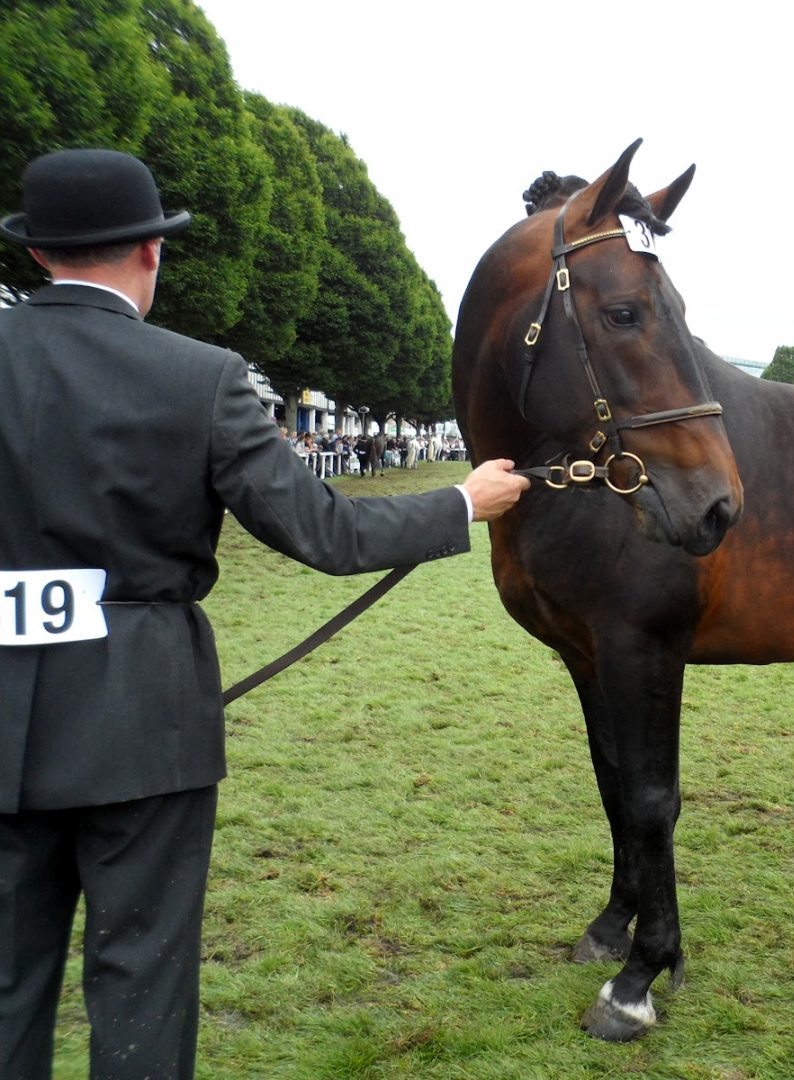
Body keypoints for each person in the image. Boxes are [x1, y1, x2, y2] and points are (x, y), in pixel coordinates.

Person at [0, 148, 530, 1078]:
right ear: (150, 253)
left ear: (39, 256)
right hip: (140, 716)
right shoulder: (201, 377)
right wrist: (458, 504)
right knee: (140, 977)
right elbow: (323, 532)